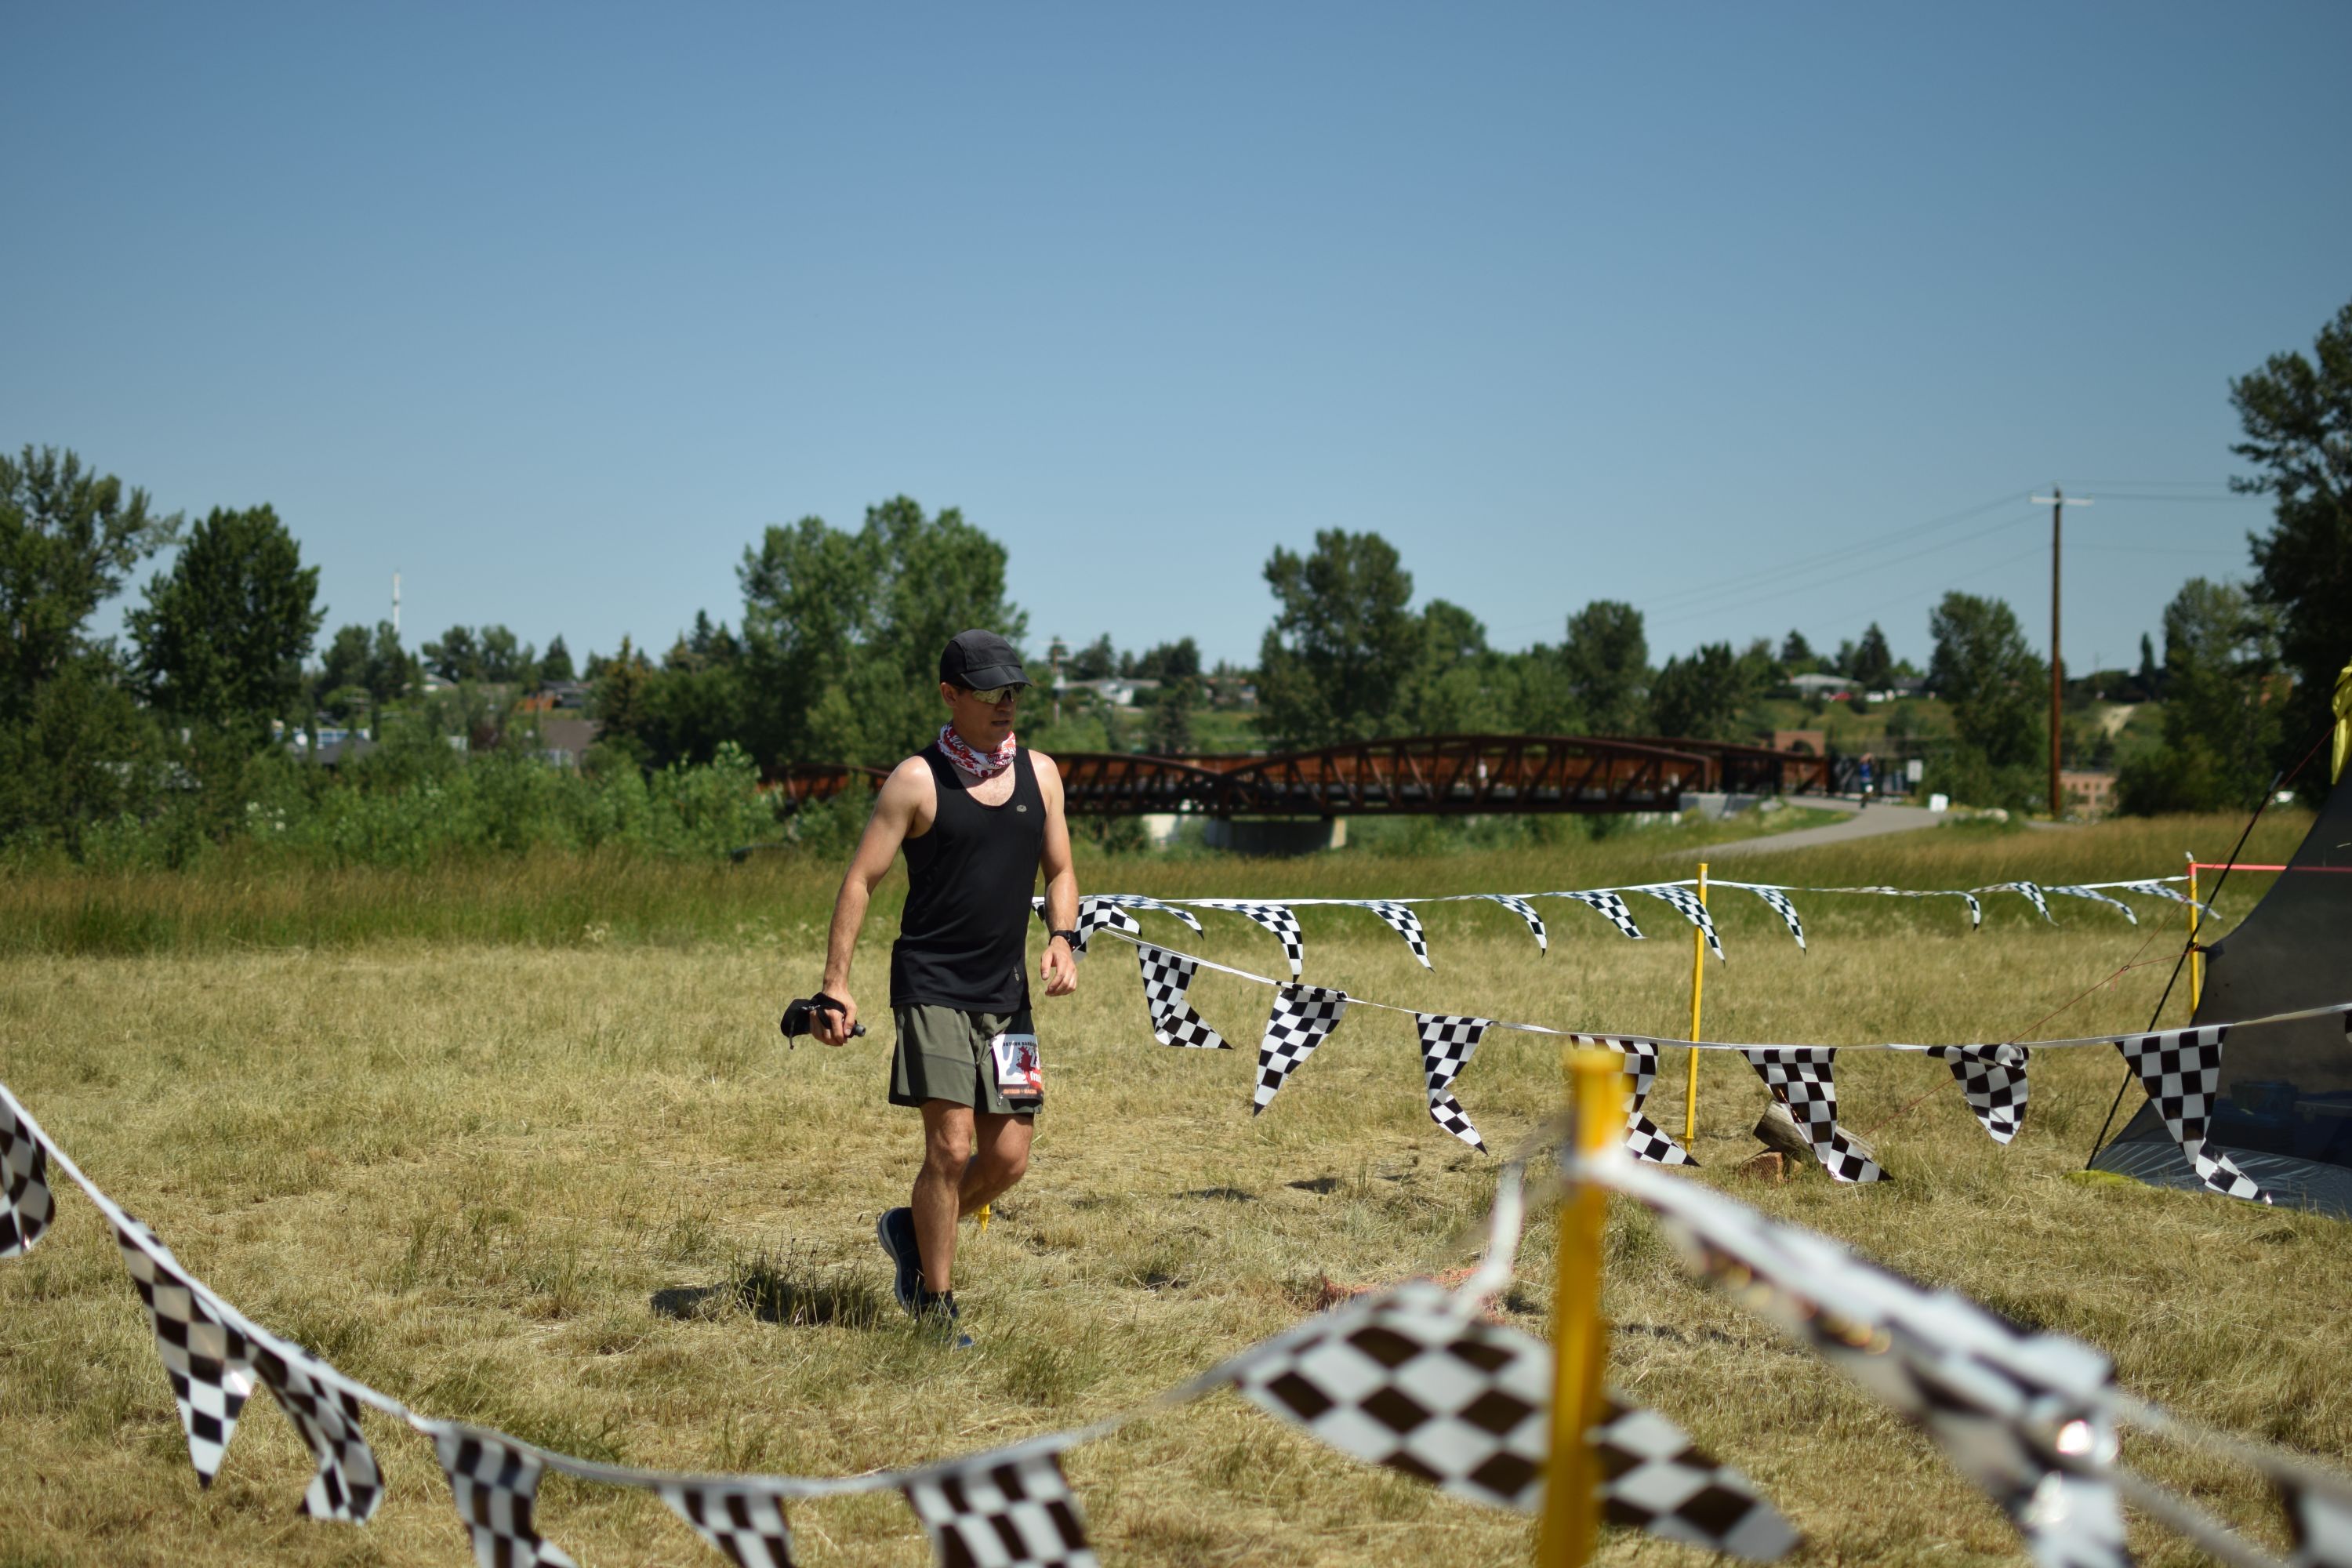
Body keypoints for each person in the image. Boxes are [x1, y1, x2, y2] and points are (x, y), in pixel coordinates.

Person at [806, 630, 1080, 1335]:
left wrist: (1062, 937)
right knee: (951, 1149)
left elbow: (1061, 872)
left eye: (1013, 691)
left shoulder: (1042, 775)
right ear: (950, 695)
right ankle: (935, 1304)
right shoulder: (917, 781)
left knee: (1009, 1160)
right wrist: (836, 983)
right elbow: (860, 880)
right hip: (932, 987)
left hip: (1007, 996)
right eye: (989, 693)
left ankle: (911, 1228)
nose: (1006, 703)